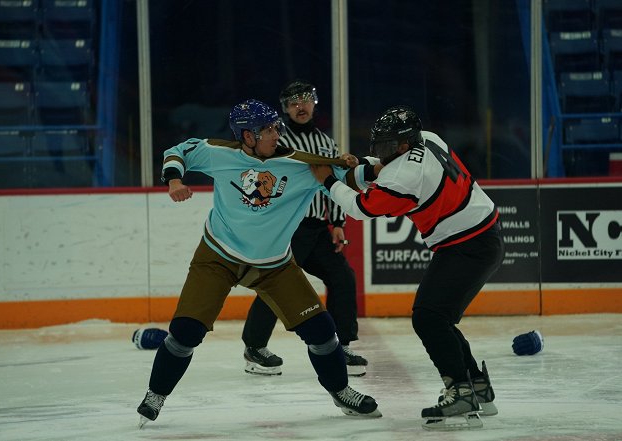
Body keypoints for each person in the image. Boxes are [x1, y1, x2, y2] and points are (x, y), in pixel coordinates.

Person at [136, 99, 382, 428]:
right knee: (185, 333)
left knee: (323, 333)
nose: (276, 134)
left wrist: (385, 163)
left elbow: (356, 174)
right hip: (217, 257)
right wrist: (174, 181)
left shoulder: (302, 164)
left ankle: (341, 390)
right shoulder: (220, 153)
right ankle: (156, 394)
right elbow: (176, 151)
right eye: (268, 129)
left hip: (274, 265)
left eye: (276, 127)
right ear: (247, 136)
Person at [310, 105, 504, 431]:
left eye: (386, 146)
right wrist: (357, 165)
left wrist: (327, 179)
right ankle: (476, 386)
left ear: (402, 146)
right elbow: (381, 170)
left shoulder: (405, 178)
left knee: (428, 317)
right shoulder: (428, 138)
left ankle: (461, 391)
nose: (380, 152)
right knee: (437, 316)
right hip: (481, 237)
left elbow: (359, 207)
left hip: (468, 245)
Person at [241, 80, 367, 377]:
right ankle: (254, 347)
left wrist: (336, 223)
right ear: (284, 109)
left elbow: (333, 183)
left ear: (314, 103)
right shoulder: (276, 141)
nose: (301, 106)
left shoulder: (326, 143)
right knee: (276, 282)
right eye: (293, 102)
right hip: (287, 227)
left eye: (306, 100)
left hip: (316, 227)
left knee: (342, 277)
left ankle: (341, 345)